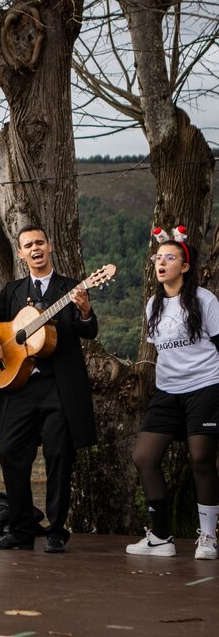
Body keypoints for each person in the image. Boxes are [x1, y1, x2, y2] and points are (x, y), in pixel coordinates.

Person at [0, 224, 97, 553]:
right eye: (28, 245)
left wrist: (84, 310)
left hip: (59, 388)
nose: (35, 248)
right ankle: (20, 530)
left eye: (40, 242)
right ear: (21, 253)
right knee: (10, 453)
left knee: (58, 456)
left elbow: (89, 330)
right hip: (20, 386)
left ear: (50, 246)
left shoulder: (71, 288)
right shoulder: (13, 291)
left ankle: (55, 530)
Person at [126, 231, 219, 560]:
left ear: (185, 265)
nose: (161, 263)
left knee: (201, 459)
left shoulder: (205, 301)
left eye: (169, 258)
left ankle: (208, 537)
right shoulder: (153, 304)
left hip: (206, 386)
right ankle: (161, 537)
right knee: (144, 457)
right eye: (157, 258)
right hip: (167, 391)